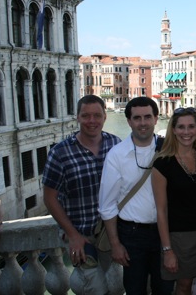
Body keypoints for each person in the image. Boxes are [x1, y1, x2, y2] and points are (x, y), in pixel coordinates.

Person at [43, 95, 122, 295]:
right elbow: (50, 198)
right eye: (86, 116)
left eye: (97, 115)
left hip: (112, 232)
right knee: (95, 288)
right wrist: (72, 235)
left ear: (105, 116)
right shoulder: (60, 153)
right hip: (82, 235)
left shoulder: (116, 144)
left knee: (116, 284)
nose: (92, 121)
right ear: (77, 117)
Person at [98, 97, 174, 295]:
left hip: (165, 233)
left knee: (165, 289)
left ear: (156, 119)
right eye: (137, 118)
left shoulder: (168, 150)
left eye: (148, 117)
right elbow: (107, 205)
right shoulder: (116, 155)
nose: (143, 123)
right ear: (129, 121)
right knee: (134, 290)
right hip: (132, 235)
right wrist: (115, 244)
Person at [152, 107, 196, 295]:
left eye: (191, 127)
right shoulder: (162, 163)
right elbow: (161, 211)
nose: (186, 132)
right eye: (181, 127)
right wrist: (168, 249)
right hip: (181, 237)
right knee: (184, 284)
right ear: (173, 130)